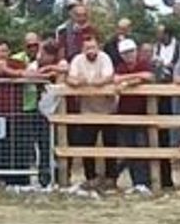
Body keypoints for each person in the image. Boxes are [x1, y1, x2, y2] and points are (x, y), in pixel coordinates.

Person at [65, 34, 117, 188]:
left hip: (108, 109)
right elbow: (71, 79)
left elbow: (108, 77)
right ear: (82, 49)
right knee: (87, 144)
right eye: (87, 48)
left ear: (98, 47)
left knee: (110, 145)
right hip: (87, 110)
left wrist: (88, 83)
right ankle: (91, 178)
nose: (91, 51)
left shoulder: (105, 58)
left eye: (93, 47)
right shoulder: (77, 60)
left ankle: (111, 178)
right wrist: (77, 82)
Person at [110, 38, 154, 194]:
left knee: (142, 148)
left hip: (142, 113)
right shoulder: (121, 67)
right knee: (129, 149)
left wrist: (127, 82)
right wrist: (135, 79)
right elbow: (115, 79)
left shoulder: (143, 63)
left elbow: (148, 76)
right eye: (125, 53)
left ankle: (144, 182)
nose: (129, 55)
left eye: (131, 51)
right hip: (124, 113)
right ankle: (136, 182)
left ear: (136, 51)